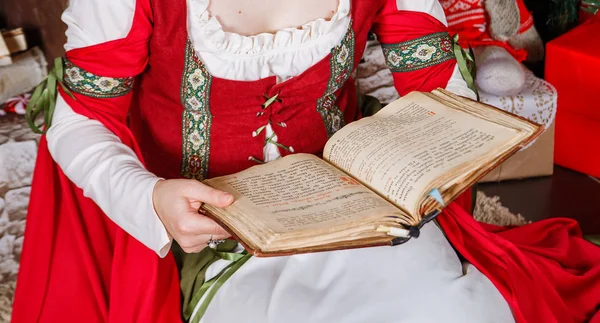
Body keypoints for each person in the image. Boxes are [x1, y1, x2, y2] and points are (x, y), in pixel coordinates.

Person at [12, 0, 600, 322]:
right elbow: (81, 121)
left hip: (349, 202)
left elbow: (438, 86)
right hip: (207, 226)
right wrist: (150, 199)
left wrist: (449, 138)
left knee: (444, 309)